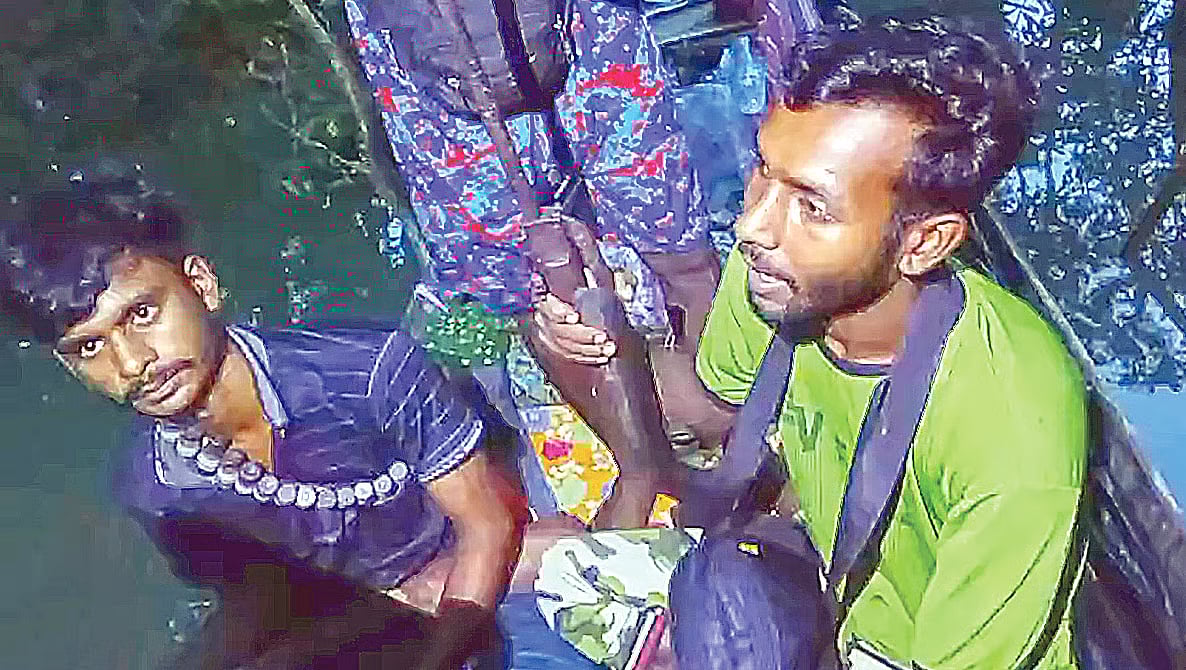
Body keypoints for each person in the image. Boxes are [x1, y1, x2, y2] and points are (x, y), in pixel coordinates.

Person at [530, 15, 1089, 669]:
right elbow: (709, 411)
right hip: (820, 577)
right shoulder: (783, 272)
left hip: (912, 652)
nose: (751, 225)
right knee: (568, 576)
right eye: (764, 173)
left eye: (813, 206)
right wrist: (604, 342)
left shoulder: (1014, 432)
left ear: (925, 242)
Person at [0, 172, 531, 669]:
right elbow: (262, 597)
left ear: (201, 285)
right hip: (371, 610)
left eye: (142, 314)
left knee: (561, 562)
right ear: (68, 367)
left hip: (487, 563)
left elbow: (489, 523)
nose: (132, 362)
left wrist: (432, 654)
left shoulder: (368, 370)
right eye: (90, 347)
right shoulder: (156, 488)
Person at [343, 0, 739, 527]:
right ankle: (642, 461)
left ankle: (729, 408)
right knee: (527, 279)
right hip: (431, 56)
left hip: (585, 17)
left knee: (671, 233)